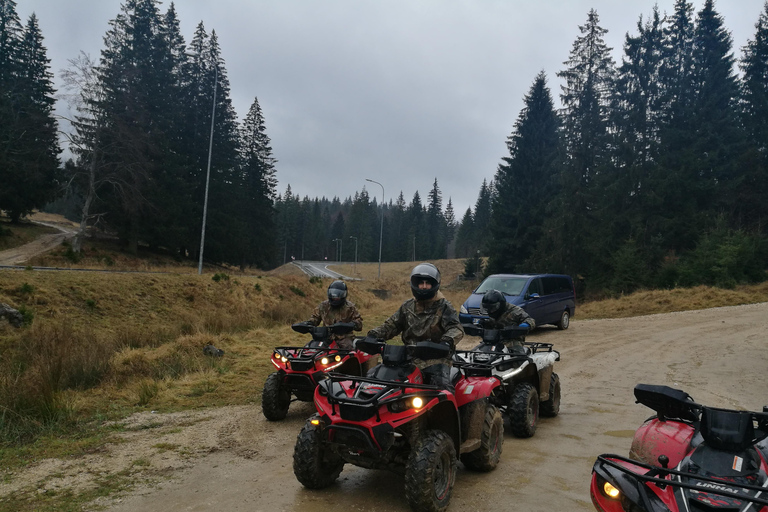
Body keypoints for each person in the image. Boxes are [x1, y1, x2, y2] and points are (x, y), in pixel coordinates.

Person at [366, 263, 464, 391]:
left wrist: (446, 342)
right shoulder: (407, 307)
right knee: (375, 377)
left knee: (442, 388)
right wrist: (374, 334)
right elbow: (392, 324)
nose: (423, 287)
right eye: (421, 283)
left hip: (435, 358)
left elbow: (455, 328)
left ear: (434, 285)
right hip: (407, 357)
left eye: (427, 283)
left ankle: (449, 410)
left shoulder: (443, 306)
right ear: (415, 284)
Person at [305, 280, 363, 350]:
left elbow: (359, 323)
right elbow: (315, 318)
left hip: (344, 338)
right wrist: (308, 323)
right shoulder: (323, 306)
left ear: (343, 295)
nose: (335, 297)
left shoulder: (350, 307)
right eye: (333, 294)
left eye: (338, 295)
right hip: (325, 338)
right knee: (308, 348)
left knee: (348, 350)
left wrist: (349, 325)